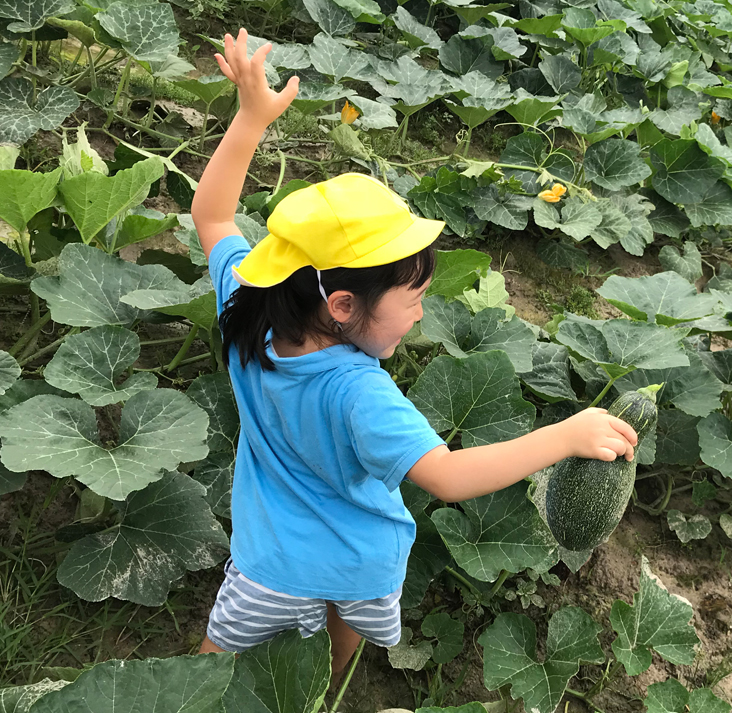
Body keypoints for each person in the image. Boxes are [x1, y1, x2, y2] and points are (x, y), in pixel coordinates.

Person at [193, 29, 640, 685]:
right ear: (344, 305)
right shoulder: (360, 394)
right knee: (325, 667)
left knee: (205, 679)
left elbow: (212, 217)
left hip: (267, 566)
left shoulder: (251, 309)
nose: (422, 312)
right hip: (360, 567)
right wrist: (562, 433)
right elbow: (449, 477)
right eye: (414, 298)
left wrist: (250, 117)